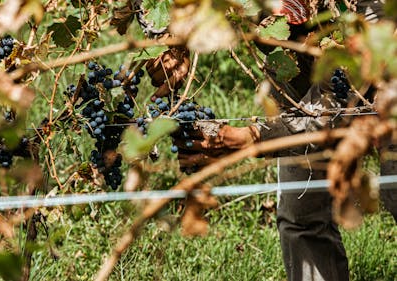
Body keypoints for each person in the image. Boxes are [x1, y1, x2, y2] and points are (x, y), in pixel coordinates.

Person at [147, 0, 396, 280]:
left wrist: (254, 139)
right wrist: (173, 40)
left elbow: (339, 102)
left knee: (394, 189)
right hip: (299, 63)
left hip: (375, 74)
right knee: (300, 213)